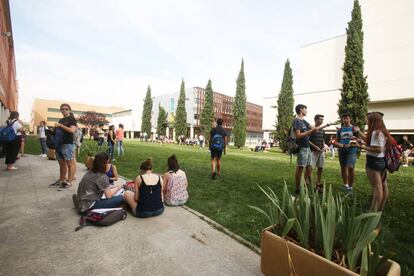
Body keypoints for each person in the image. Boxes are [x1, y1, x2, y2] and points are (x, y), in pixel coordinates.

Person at [354, 112, 392, 211]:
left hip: (374, 162)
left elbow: (378, 149)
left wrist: (361, 146)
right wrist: (362, 141)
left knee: (377, 187)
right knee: (383, 185)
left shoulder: (376, 132)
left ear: (373, 120)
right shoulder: (382, 131)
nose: (366, 121)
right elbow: (373, 144)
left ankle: (373, 210)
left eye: (368, 119)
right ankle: (380, 208)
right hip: (381, 161)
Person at [293, 105, 329, 194]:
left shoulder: (304, 121)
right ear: (301, 110)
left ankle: (313, 187)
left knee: (309, 168)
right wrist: (310, 131)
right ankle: (298, 188)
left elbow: (315, 129)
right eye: (305, 109)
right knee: (300, 167)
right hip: (302, 148)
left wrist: (327, 125)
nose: (306, 111)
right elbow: (298, 135)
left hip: (307, 148)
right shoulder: (297, 121)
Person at [50, 103, 77, 191]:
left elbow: (72, 130)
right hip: (59, 144)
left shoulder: (72, 119)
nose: (64, 110)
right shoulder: (61, 120)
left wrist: (60, 126)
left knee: (70, 164)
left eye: (66, 109)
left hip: (67, 144)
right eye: (62, 109)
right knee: (61, 164)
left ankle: (69, 182)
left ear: (69, 110)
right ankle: (61, 180)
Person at [333, 113, 362, 192]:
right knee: (343, 167)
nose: (345, 120)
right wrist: (339, 145)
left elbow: (360, 140)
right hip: (342, 150)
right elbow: (336, 140)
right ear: (342, 119)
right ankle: (345, 185)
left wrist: (356, 140)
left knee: (351, 168)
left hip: (352, 151)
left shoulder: (354, 128)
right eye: (344, 118)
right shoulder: (340, 130)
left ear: (350, 119)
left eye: (347, 118)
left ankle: (350, 187)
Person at [309, 114, 327, 191]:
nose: (321, 121)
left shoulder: (322, 130)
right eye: (320, 119)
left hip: (321, 151)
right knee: (310, 168)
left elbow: (323, 140)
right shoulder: (311, 129)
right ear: (315, 120)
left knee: (320, 167)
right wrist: (315, 147)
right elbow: (308, 140)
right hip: (313, 151)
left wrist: (324, 145)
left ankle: (318, 182)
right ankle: (307, 182)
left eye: (322, 119)